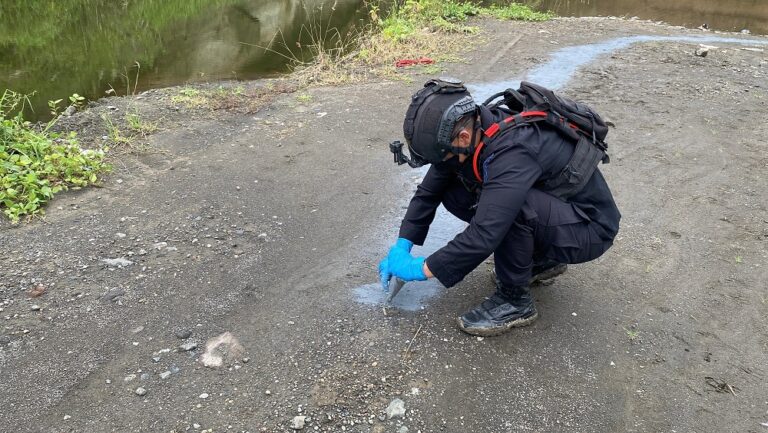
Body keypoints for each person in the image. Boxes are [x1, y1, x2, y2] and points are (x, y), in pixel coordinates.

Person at [379, 78, 621, 337]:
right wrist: (403, 243)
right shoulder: (473, 127)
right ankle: (539, 261)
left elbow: (485, 233)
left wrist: (421, 268)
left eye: (442, 156)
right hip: (559, 212)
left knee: (512, 210)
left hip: (588, 229)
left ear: (462, 137)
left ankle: (515, 301)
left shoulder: (513, 150)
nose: (440, 163)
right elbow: (429, 192)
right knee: (454, 191)